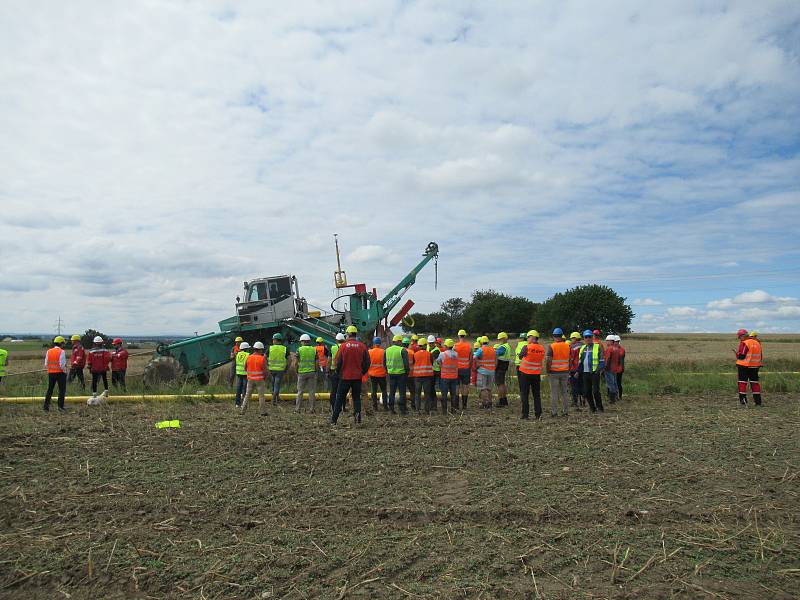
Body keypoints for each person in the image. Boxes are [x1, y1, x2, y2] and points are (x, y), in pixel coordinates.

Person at [331, 325, 370, 424]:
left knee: (339, 398)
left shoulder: (343, 346)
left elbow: (337, 362)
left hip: (345, 377)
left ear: (348, 334)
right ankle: (358, 419)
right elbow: (367, 362)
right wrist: (362, 372)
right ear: (356, 334)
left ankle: (334, 420)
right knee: (356, 398)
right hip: (357, 377)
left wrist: (338, 373)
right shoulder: (362, 346)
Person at [517, 330, 544, 419]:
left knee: (525, 394)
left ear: (532, 337)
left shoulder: (526, 347)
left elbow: (520, 356)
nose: (527, 339)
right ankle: (538, 414)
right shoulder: (542, 348)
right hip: (536, 374)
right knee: (536, 395)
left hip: (525, 374)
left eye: (528, 337)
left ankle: (525, 415)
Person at [545, 328, 571, 417]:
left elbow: (548, 360)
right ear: (561, 336)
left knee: (554, 393)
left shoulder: (551, 346)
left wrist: (548, 371)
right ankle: (565, 411)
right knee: (564, 392)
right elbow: (570, 359)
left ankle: (554, 412)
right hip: (565, 372)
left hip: (554, 373)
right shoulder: (567, 346)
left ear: (554, 336)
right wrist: (568, 369)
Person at [735, 328, 763, 406]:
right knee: (755, 383)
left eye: (739, 337)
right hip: (755, 367)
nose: (739, 339)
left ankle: (743, 402)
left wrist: (737, 354)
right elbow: (760, 356)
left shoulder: (745, 343)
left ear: (743, 336)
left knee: (742, 383)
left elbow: (742, 356)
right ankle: (758, 402)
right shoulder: (757, 343)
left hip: (744, 367)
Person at [579, 330, 605, 413]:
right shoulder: (582, 348)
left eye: (589, 337)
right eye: (586, 337)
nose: (588, 338)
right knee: (586, 392)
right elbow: (580, 361)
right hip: (585, 373)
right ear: (584, 338)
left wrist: (598, 370)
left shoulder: (598, 347)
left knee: (596, 391)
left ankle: (600, 408)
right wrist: (578, 371)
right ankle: (592, 408)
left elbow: (602, 361)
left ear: (592, 337)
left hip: (594, 373)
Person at [384, 334, 409, 414]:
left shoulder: (387, 350)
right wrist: (407, 372)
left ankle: (391, 409)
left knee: (392, 392)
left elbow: (384, 363)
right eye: (401, 341)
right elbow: (406, 364)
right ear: (398, 341)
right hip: (401, 374)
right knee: (402, 392)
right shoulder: (403, 350)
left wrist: (388, 371)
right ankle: (402, 410)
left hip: (391, 374)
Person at [241, 341, 268, 416]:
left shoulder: (249, 357)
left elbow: (245, 368)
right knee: (261, 396)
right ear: (260, 350)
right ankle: (263, 412)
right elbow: (265, 371)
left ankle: (243, 410)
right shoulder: (262, 359)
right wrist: (264, 378)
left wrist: (250, 374)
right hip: (259, 380)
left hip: (250, 379)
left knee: (247, 395)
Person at [43, 336, 68, 412]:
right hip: (60, 373)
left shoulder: (49, 351)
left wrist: (51, 369)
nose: (64, 345)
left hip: (51, 373)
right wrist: (65, 371)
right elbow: (62, 364)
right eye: (63, 343)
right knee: (61, 390)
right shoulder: (62, 351)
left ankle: (46, 407)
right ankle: (60, 407)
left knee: (50, 390)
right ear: (61, 343)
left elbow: (46, 363)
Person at [295, 334, 318, 413]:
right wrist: (315, 370)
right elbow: (316, 362)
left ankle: (297, 409)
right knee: (311, 392)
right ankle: (312, 409)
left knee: (300, 391)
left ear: (302, 341)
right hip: (312, 372)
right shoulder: (314, 349)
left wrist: (296, 371)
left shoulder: (299, 350)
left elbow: (296, 362)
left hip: (301, 373)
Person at [436, 338, 459, 414]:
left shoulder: (443, 354)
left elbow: (438, 361)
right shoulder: (456, 354)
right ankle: (453, 410)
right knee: (453, 394)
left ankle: (444, 411)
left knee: (444, 394)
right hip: (454, 377)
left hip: (445, 377)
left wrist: (441, 366)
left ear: (445, 346)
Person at [412, 336, 435, 414]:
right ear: (425, 345)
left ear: (419, 346)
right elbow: (432, 363)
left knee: (417, 394)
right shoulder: (429, 354)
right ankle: (427, 410)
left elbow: (414, 363)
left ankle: (417, 410)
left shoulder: (415, 354)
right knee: (427, 394)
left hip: (417, 377)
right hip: (427, 376)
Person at [473, 336, 496, 408]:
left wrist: (478, 364)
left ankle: (484, 403)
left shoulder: (481, 349)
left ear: (481, 342)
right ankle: (490, 402)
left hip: (482, 371)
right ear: (488, 342)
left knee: (483, 388)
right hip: (491, 371)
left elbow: (474, 357)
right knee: (489, 388)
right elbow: (496, 358)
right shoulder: (493, 349)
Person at [454, 329, 472, 409]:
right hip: (466, 369)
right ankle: (464, 405)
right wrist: (469, 367)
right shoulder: (469, 346)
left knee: (457, 387)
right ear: (465, 336)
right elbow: (471, 358)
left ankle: (456, 405)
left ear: (458, 336)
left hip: (457, 369)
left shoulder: (455, 346)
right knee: (465, 387)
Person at [268, 333, 288, 406]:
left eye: (273, 340)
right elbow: (289, 359)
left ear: (276, 340)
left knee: (273, 384)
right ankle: (274, 399)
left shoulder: (270, 348)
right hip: (280, 370)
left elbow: (264, 357)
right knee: (277, 385)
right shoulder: (284, 348)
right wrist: (286, 367)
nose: (273, 341)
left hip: (271, 369)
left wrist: (267, 365)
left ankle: (275, 398)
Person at [368, 336, 387, 411]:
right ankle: (385, 406)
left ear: (373, 343)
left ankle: (374, 407)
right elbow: (386, 363)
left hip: (372, 374)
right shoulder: (384, 352)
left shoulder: (369, 352)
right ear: (380, 343)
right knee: (384, 391)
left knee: (374, 391)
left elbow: (367, 362)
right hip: (382, 374)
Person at [328, 332, 346, 411]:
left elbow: (328, 360)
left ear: (336, 340)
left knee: (334, 390)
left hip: (334, 371)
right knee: (343, 390)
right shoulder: (346, 347)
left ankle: (333, 407)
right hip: (344, 372)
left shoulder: (332, 348)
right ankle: (343, 407)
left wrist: (327, 371)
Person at [603, 334, 623, 402]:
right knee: (615, 383)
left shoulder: (609, 349)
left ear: (611, 341)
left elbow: (607, 359)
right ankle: (616, 397)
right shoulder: (617, 349)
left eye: (607, 341)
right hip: (615, 369)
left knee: (610, 384)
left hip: (609, 369)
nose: (606, 342)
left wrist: (605, 367)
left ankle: (612, 399)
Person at [494, 332, 512, 407]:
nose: (499, 340)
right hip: (504, 366)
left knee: (499, 385)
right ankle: (504, 401)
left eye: (500, 339)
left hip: (500, 367)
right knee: (502, 384)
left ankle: (501, 401)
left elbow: (495, 354)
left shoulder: (503, 347)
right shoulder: (507, 346)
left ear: (504, 338)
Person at [568, 332, 583, 409]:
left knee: (574, 386)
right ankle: (583, 401)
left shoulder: (573, 347)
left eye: (571, 338)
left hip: (574, 369)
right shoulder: (584, 345)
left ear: (575, 338)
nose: (571, 340)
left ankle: (575, 401)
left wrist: (569, 370)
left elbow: (571, 359)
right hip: (583, 369)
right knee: (582, 385)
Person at [233, 341, 251, 408]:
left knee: (238, 388)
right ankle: (244, 403)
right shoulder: (248, 355)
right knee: (245, 388)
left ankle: (237, 403)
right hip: (245, 373)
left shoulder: (237, 354)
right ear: (246, 348)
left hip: (238, 373)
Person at [612, 335, 625, 399]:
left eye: (615, 341)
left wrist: (621, 369)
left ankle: (619, 396)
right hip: (614, 369)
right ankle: (614, 396)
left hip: (619, 369)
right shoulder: (613, 348)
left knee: (618, 383)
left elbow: (621, 360)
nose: (614, 342)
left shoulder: (621, 350)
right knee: (614, 383)